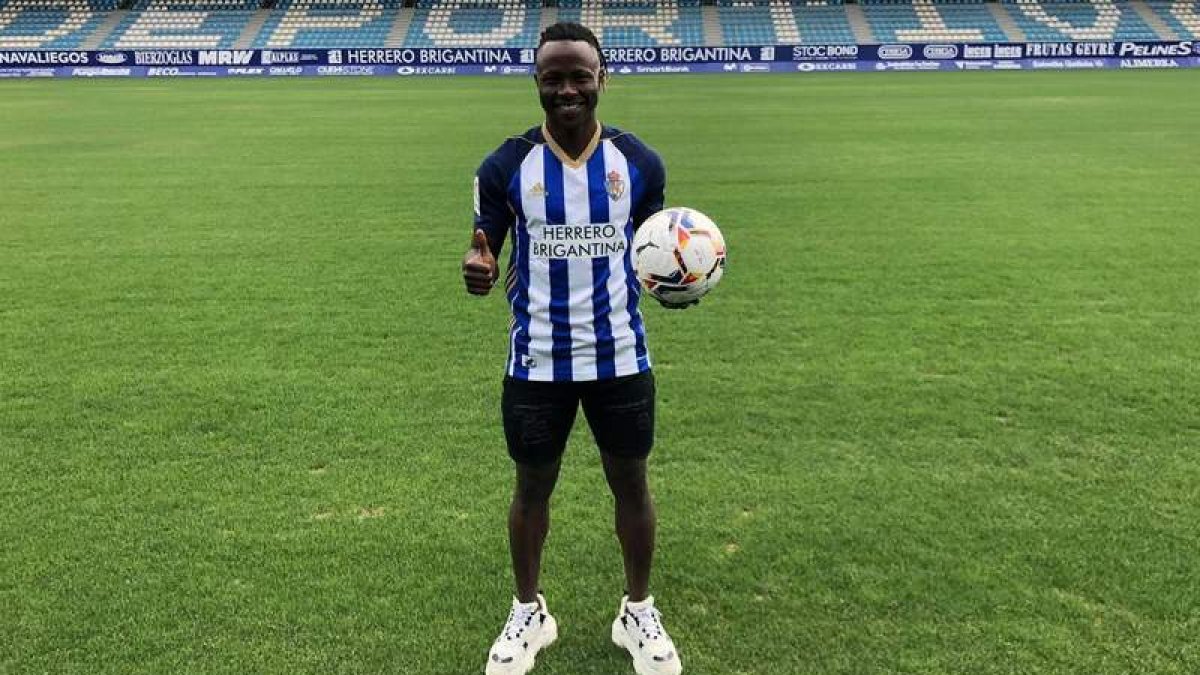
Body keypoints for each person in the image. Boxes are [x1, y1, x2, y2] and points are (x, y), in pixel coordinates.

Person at [462, 21, 688, 675]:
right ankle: (528, 612)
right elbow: (484, 246)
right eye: (552, 78)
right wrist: (479, 265)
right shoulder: (505, 165)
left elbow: (654, 250)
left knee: (631, 483)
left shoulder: (638, 163)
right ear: (536, 81)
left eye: (579, 76)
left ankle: (637, 611)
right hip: (537, 360)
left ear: (601, 79)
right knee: (531, 487)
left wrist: (678, 280)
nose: (567, 89)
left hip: (621, 355)